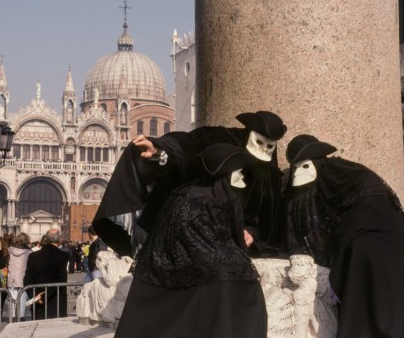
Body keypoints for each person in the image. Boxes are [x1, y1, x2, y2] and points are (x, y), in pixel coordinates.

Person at [280, 134, 404, 338]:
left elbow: (321, 227)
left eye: (304, 166)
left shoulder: (342, 177)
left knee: (370, 285)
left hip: (367, 243)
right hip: (391, 241)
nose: (298, 175)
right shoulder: (348, 173)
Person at [91, 143, 267, 338]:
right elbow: (184, 234)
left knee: (242, 278)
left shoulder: (216, 196)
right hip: (183, 260)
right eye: (236, 171)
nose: (241, 177)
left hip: (205, 258)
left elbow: (229, 235)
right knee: (228, 277)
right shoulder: (194, 197)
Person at [93, 110, 287, 258]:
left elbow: (264, 217)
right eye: (260, 142)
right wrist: (159, 150)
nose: (263, 151)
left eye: (270, 147)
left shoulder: (268, 174)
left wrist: (251, 232)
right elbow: (187, 146)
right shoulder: (220, 140)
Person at [23, 228, 69, 320]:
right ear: (60, 240)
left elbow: (27, 279)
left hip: (38, 301)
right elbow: (60, 279)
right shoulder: (63, 255)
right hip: (55, 300)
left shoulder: (33, 256)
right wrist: (44, 297)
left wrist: (35, 295)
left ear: (46, 239)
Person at [6, 232, 32, 321]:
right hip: (23, 278)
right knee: (22, 297)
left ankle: (13, 316)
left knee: (12, 297)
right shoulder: (29, 252)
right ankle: (20, 316)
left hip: (11, 277)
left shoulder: (9, 250)